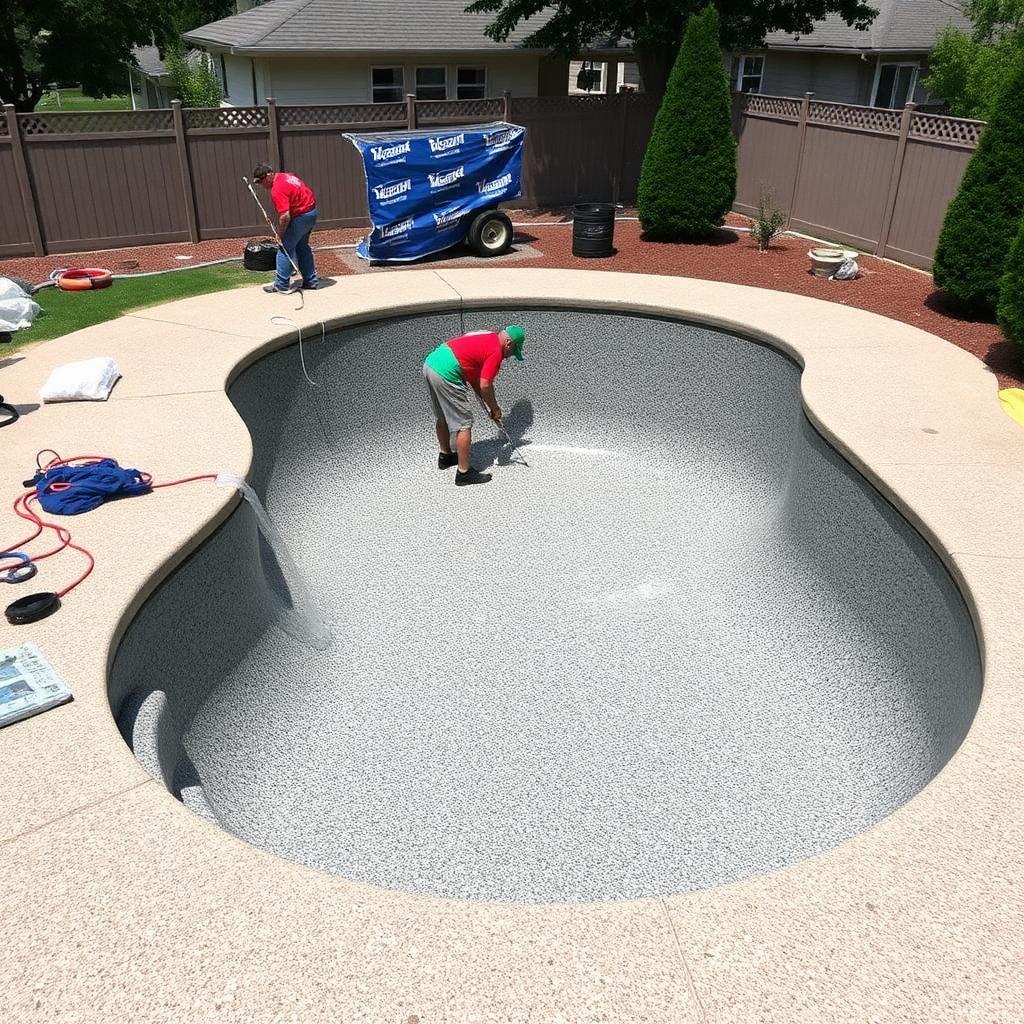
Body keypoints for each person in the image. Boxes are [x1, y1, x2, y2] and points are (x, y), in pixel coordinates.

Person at [423, 326, 525, 486]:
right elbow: (485, 385)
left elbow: (474, 377)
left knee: (442, 415)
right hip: (447, 372)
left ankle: (446, 457)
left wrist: (489, 406)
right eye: (513, 352)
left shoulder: (488, 337)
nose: (509, 357)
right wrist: (495, 408)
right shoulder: (496, 353)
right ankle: (464, 473)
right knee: (464, 425)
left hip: (432, 364)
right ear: (508, 343)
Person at [252, 163, 320, 294]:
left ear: (269, 175)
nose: (262, 185)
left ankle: (281, 284)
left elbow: (285, 216)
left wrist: (280, 234)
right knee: (302, 247)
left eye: (262, 181)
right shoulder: (286, 176)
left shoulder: (277, 189)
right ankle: (311, 281)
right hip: (311, 213)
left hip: (301, 216)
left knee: (284, 248)